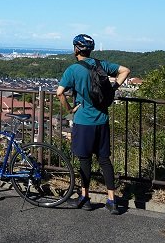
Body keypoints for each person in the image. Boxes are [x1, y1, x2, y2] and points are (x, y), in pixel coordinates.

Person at [56, 34, 131, 214]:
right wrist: (114, 87)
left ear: (76, 49)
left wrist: (70, 110)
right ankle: (112, 201)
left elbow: (59, 93)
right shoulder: (101, 65)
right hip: (102, 119)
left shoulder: (73, 70)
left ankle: (85, 198)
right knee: (104, 160)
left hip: (83, 121)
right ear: (90, 49)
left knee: (85, 160)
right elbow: (125, 70)